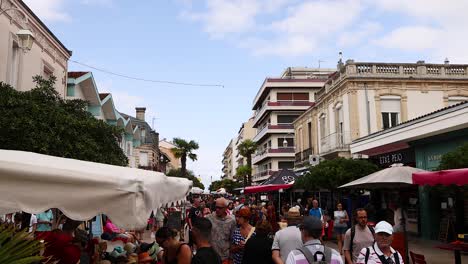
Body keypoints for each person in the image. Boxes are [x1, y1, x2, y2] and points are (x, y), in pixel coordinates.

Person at [206, 197, 237, 264]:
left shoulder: (231, 221)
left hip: (224, 257)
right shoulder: (209, 218)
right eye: (216, 207)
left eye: (220, 208)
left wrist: (231, 258)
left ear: (226, 208)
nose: (217, 209)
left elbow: (232, 239)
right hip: (211, 257)